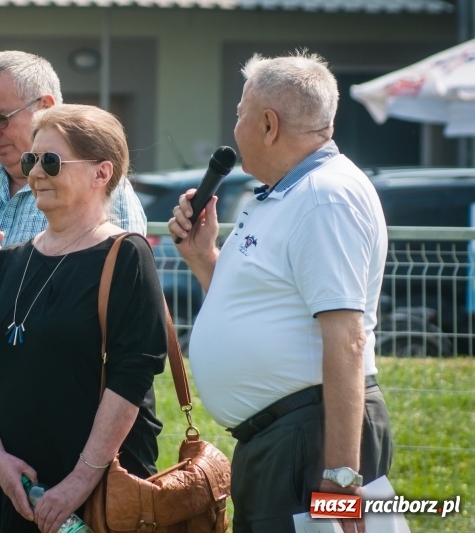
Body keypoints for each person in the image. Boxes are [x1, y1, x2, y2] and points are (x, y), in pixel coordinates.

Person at [0, 50, 147, 532]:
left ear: (47, 105)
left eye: (1, 118)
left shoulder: (108, 197)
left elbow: (127, 340)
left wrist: (0, 267)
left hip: (82, 444)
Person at [168, 51, 393, 533]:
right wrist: (202, 257)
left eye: (239, 114)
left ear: (268, 124)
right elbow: (259, 306)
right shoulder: (283, 193)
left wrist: (340, 474)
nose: (235, 128)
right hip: (282, 439)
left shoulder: (324, 196)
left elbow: (347, 337)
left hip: (311, 437)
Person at [0, 103, 167, 533]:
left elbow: (132, 377)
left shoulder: (126, 255)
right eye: (31, 160)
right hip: (13, 488)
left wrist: (79, 481)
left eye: (51, 161)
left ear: (101, 173)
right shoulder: (5, 262)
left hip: (100, 496)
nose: (35, 172)